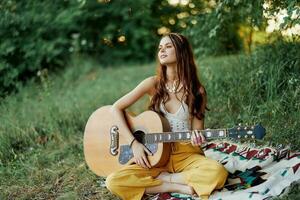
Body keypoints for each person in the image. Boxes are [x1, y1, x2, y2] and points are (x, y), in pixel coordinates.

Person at [105, 32, 228, 200]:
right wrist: (134, 144)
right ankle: (171, 185)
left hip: (186, 154)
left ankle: (162, 181)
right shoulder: (153, 83)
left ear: (182, 51)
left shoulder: (197, 91)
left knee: (217, 173)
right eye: (160, 48)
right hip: (154, 155)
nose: (162, 51)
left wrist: (198, 138)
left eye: (168, 46)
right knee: (113, 181)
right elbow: (115, 109)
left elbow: (198, 130)